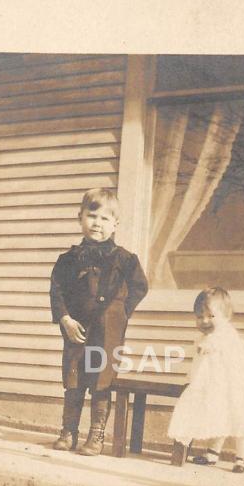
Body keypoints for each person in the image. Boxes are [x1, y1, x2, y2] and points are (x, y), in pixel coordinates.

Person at [50, 188, 148, 456]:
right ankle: (68, 432)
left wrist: (119, 313)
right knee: (74, 376)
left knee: (101, 378)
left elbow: (140, 287)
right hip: (77, 329)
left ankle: (96, 436)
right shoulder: (68, 260)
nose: (97, 223)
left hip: (108, 330)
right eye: (92, 216)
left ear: (115, 224)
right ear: (80, 217)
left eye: (105, 219)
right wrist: (65, 319)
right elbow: (57, 291)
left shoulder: (125, 260)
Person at [168, 287, 244, 473]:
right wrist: (193, 379)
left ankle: (242, 459)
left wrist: (209, 345)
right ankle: (213, 453)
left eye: (211, 316)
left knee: (240, 416)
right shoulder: (203, 338)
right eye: (199, 316)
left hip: (239, 385)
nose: (204, 321)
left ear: (226, 316)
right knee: (220, 414)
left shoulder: (226, 335)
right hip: (218, 384)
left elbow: (220, 345)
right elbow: (200, 364)